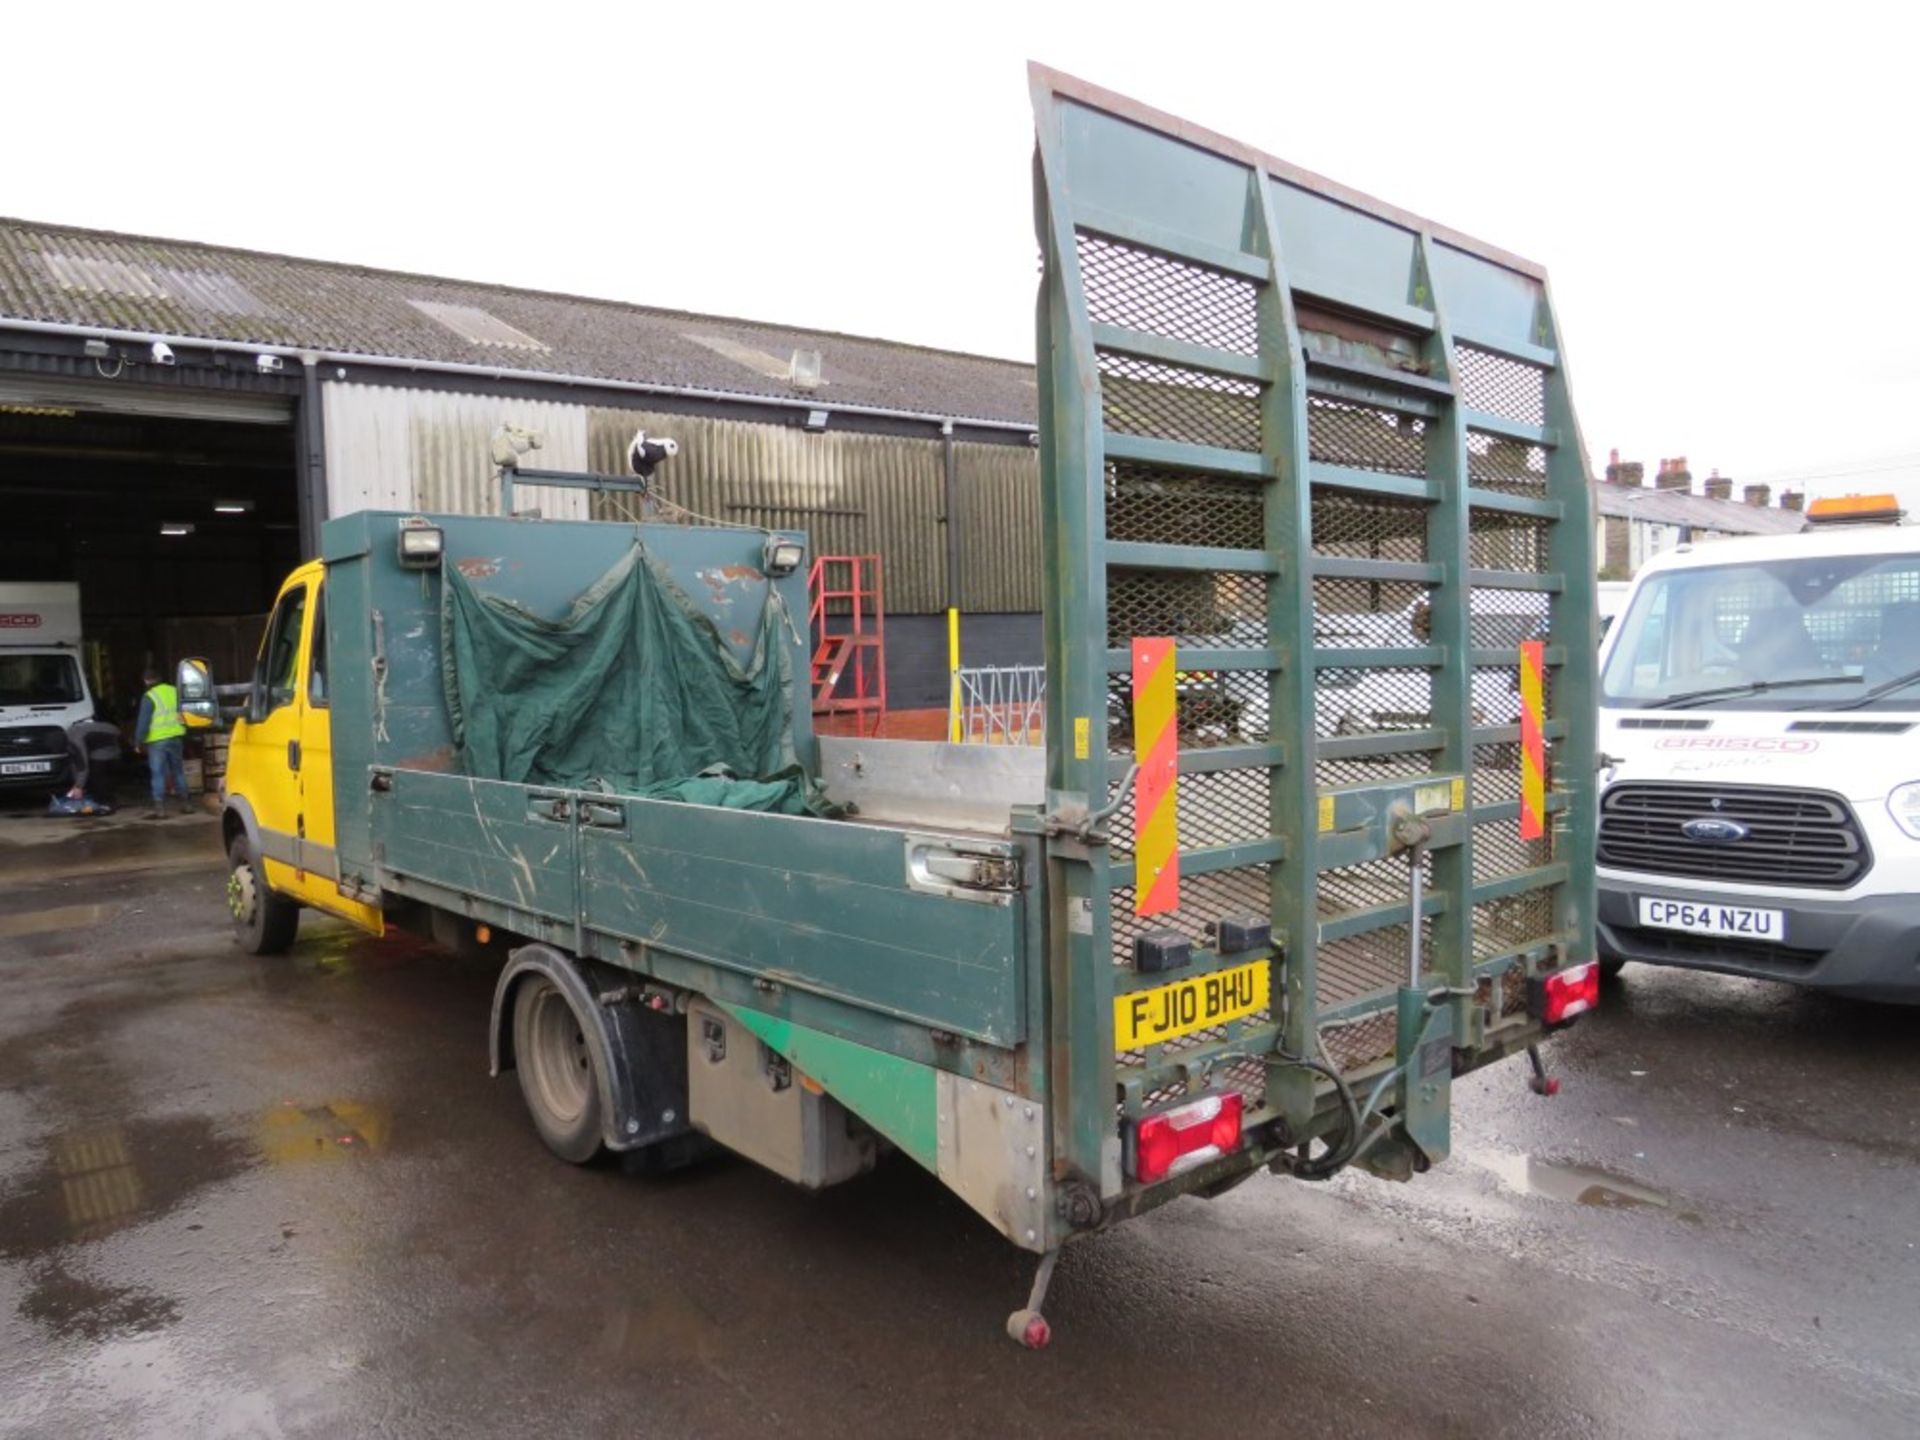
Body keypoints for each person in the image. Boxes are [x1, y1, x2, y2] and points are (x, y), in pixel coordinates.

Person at [134, 665, 190, 818]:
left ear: (146, 681)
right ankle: (186, 804)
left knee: (158, 773)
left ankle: (160, 808)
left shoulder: (149, 696)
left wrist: (138, 742)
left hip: (158, 741)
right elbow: (185, 712)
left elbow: (143, 721)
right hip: (176, 736)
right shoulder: (174, 691)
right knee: (178, 771)